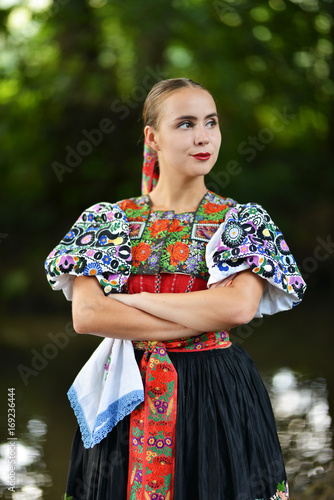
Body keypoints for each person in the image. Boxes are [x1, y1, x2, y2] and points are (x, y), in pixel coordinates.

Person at [45, 77, 306, 500]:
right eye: (185, 123)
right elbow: (89, 316)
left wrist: (136, 301)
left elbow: (238, 309)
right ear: (153, 137)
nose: (203, 136)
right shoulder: (110, 221)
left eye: (211, 122)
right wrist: (201, 313)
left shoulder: (242, 222)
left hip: (215, 390)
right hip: (127, 391)